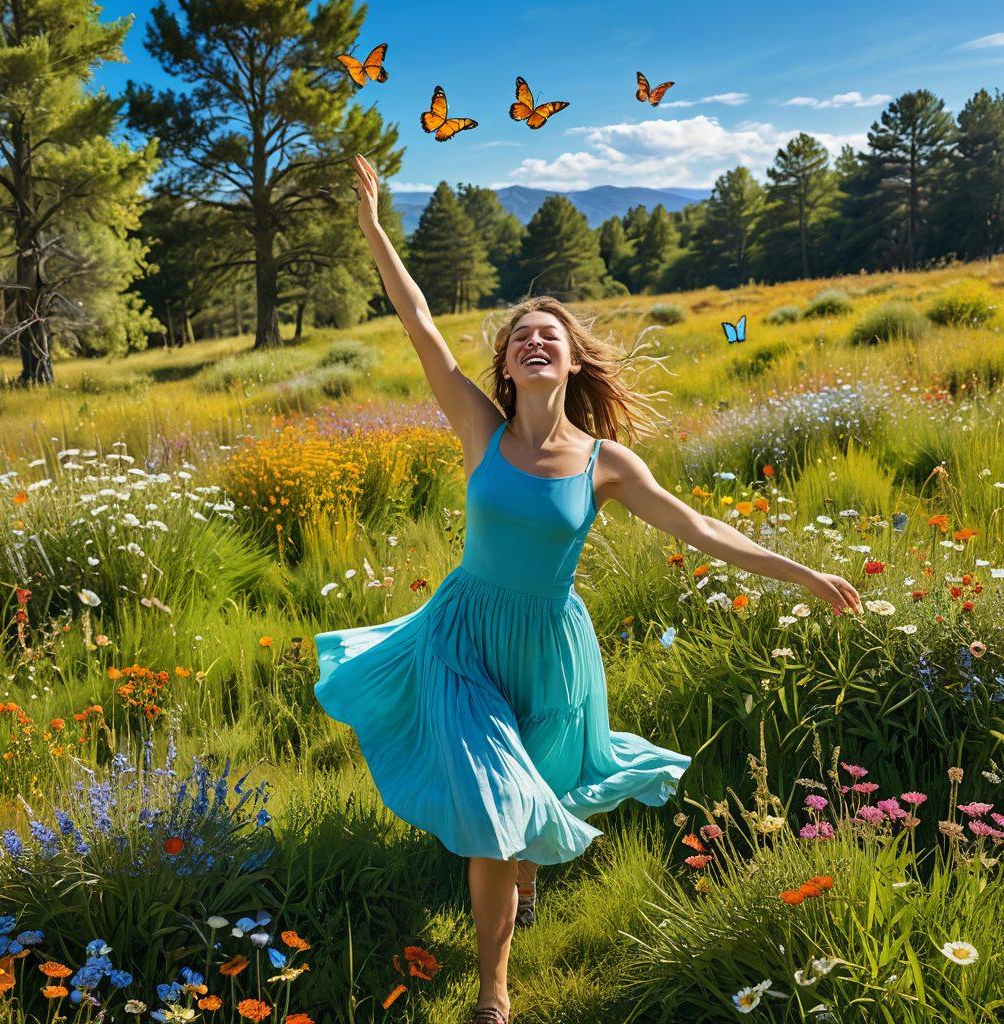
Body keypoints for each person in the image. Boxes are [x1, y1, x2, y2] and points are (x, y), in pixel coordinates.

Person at [313, 154, 864, 1024]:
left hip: (550, 652)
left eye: (551, 337)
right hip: (462, 640)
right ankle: (494, 993)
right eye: (521, 336)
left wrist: (801, 570)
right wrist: (376, 229)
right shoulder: (480, 431)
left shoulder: (608, 464)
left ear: (570, 365)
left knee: (533, 792)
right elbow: (419, 323)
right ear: (507, 366)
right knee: (496, 811)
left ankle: (527, 877)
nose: (535, 341)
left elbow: (703, 531)